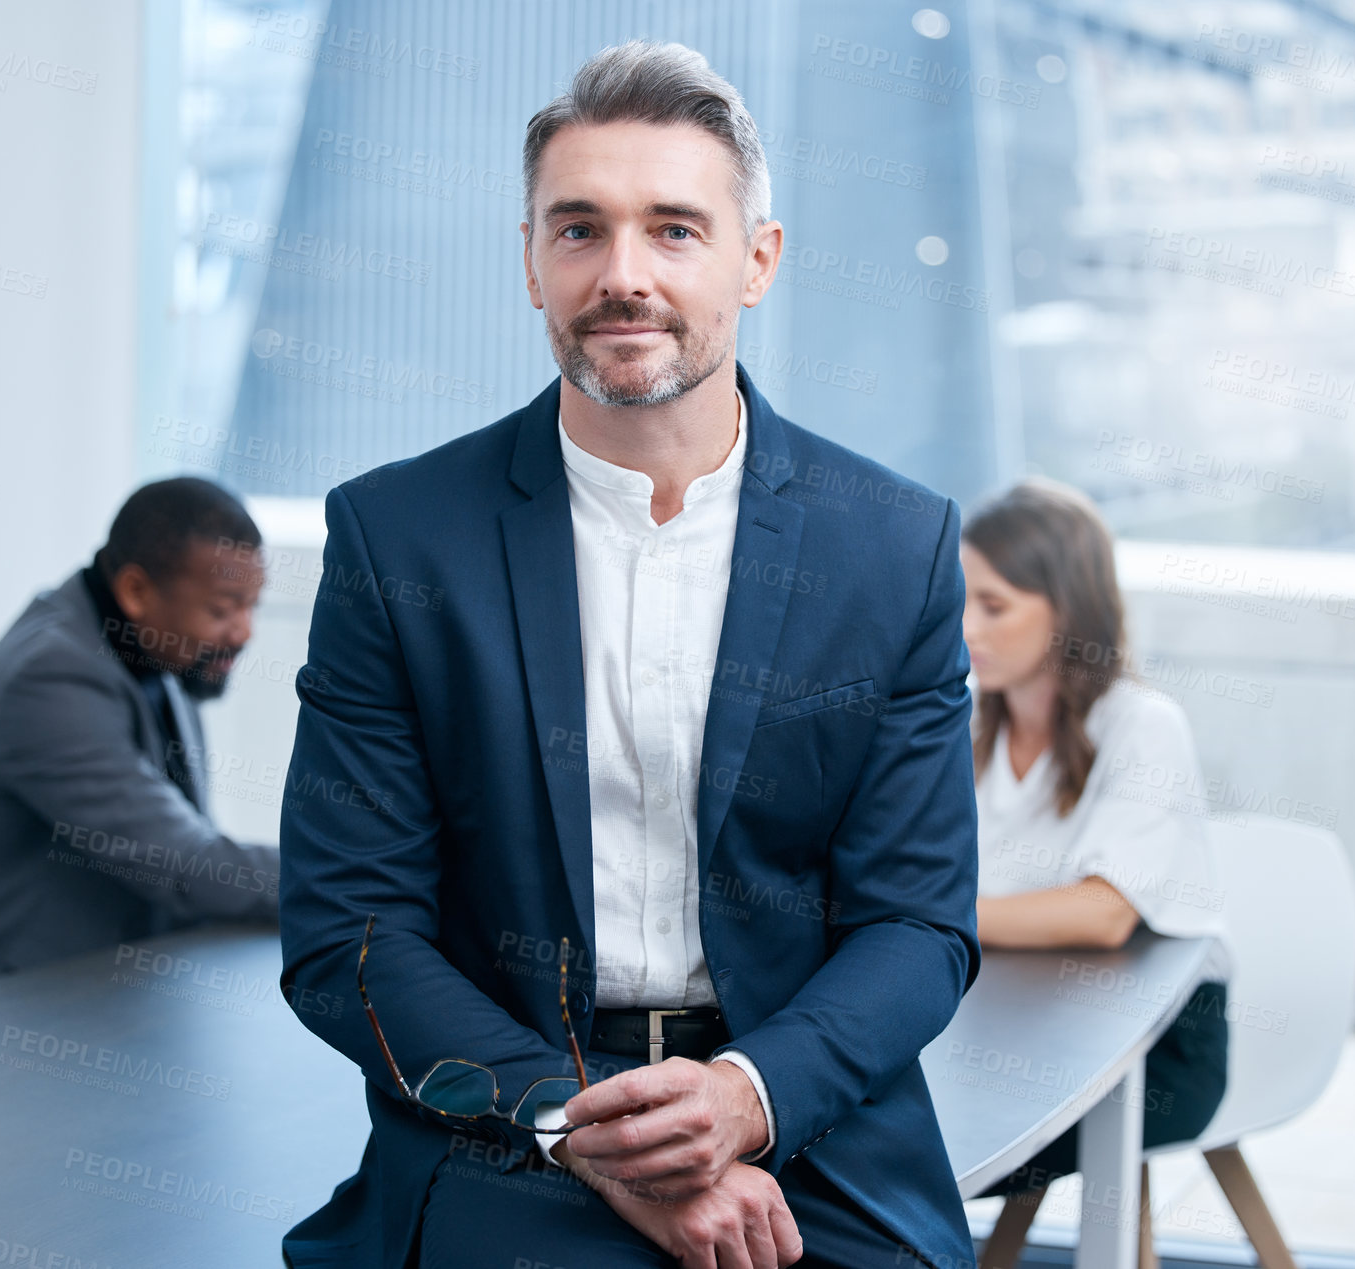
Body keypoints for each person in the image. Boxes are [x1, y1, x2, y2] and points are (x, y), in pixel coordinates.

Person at [277, 39, 980, 1269]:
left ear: (755, 261)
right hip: (506, 1109)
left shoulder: (891, 546)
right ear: (532, 264)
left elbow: (917, 924)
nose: (623, 276)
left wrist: (743, 1098)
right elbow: (349, 931)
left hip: (799, 1110)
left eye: (673, 230)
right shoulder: (397, 540)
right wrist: (576, 1126)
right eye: (579, 230)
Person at [958, 477, 1232, 1211]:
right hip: (1017, 1017)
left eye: (994, 604)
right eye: (961, 599)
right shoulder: (966, 729)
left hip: (1162, 1045)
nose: (966, 627)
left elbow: (1104, 913)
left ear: (1066, 609)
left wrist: (935, 917)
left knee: (903, 1155)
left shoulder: (1143, 723)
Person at [0, 476, 280, 991]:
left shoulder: (158, 651)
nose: (244, 632)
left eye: (253, 606)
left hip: (126, 987)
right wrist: (347, 885)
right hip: (14, 1018)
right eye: (223, 609)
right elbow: (184, 864)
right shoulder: (46, 679)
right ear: (135, 591)